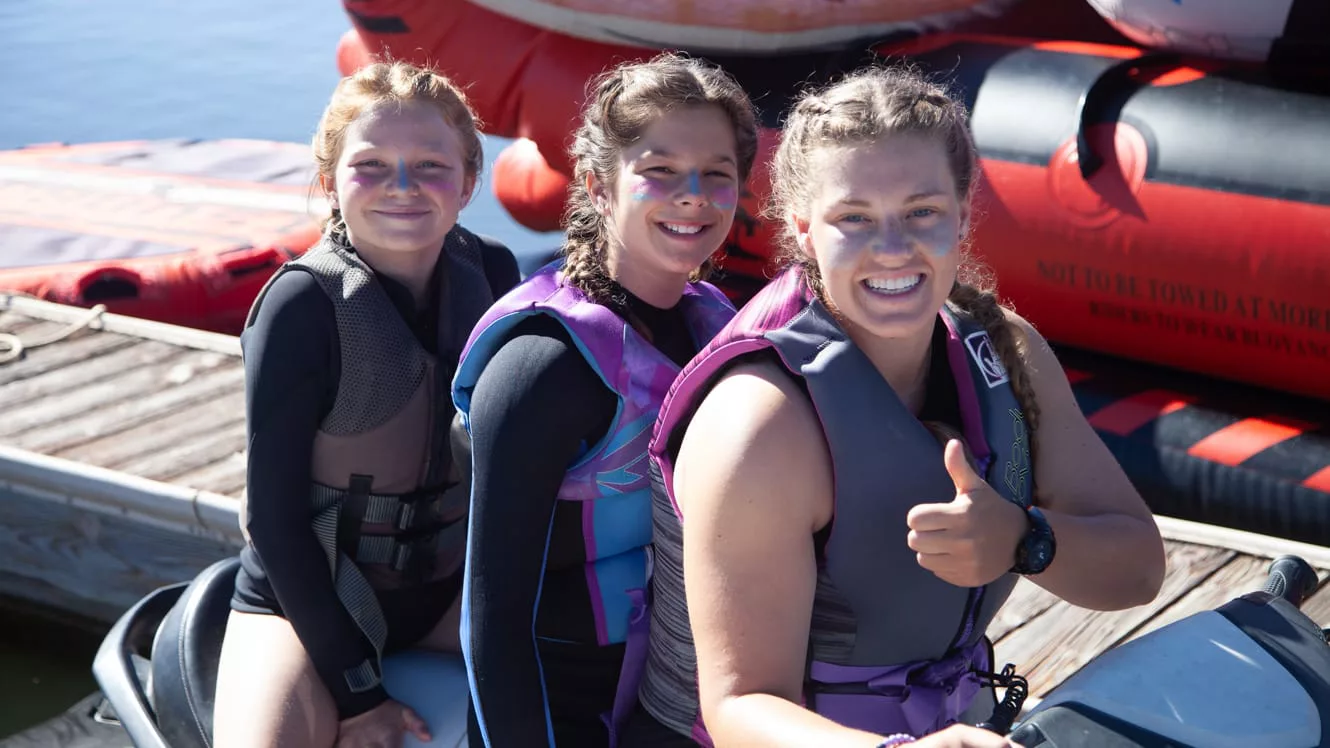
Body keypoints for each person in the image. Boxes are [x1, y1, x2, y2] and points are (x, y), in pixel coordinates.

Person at [626, 63, 1168, 748]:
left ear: (964, 215)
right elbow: (739, 707)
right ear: (803, 229)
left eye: (922, 212)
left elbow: (1140, 568)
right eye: (854, 217)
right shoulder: (760, 425)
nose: (892, 248)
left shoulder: (1004, 351)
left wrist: (1024, 540)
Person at [449, 53, 759, 747]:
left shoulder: (718, 324)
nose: (694, 195)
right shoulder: (543, 366)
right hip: (568, 708)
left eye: (717, 174)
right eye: (660, 170)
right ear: (598, 185)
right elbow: (492, 621)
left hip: (690, 693)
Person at [214, 60, 520, 748]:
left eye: (431, 166)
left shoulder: (494, 274)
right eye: (372, 165)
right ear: (328, 182)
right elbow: (274, 519)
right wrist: (358, 696)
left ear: (470, 181)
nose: (403, 188)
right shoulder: (302, 307)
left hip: (442, 595)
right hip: (301, 606)